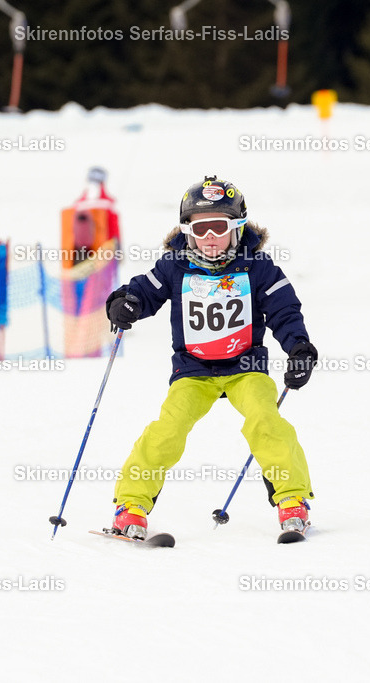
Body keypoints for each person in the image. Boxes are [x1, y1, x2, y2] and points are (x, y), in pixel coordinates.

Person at [104, 175, 317, 540]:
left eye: (219, 227)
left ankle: (292, 499)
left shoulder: (257, 267)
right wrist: (125, 303)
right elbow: (144, 292)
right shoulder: (175, 266)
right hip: (193, 369)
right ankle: (131, 505)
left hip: (245, 367)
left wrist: (299, 348)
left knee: (265, 420)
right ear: (187, 231)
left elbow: (284, 311)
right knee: (167, 429)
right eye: (200, 229)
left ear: (237, 228)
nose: (210, 238)